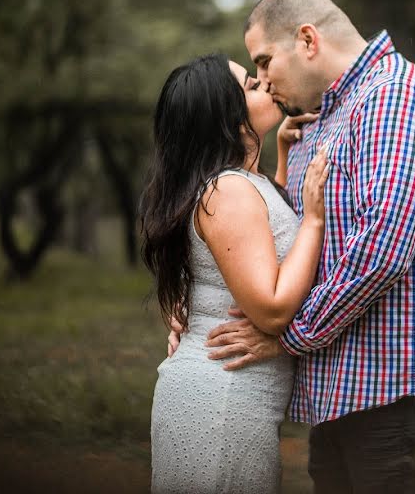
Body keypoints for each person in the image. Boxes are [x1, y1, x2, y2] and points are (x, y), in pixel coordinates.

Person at [193, 0, 415, 493]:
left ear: (307, 40)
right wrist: (194, 308)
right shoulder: (323, 120)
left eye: (263, 62)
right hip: (342, 401)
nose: (261, 80)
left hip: (396, 401)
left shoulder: (395, 99)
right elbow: (279, 246)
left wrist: (287, 337)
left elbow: (379, 254)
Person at [140, 52, 330, 493]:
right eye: (249, 84)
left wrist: (281, 154)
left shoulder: (239, 183)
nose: (264, 83)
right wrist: (316, 219)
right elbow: (272, 308)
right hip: (220, 403)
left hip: (225, 398)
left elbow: (269, 233)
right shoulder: (228, 191)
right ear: (224, 116)